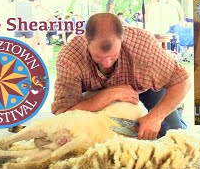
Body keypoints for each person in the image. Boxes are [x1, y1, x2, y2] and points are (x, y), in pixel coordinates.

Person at [51, 13, 191, 140]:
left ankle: (176, 113)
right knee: (77, 139)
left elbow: (182, 81)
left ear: (122, 39)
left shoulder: (143, 44)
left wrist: (156, 117)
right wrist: (109, 95)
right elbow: (62, 113)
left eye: (112, 56)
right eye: (99, 57)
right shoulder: (70, 56)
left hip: (144, 91)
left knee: (173, 136)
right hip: (92, 97)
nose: (106, 63)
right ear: (86, 41)